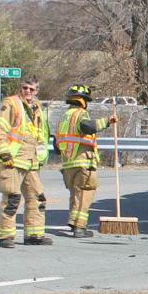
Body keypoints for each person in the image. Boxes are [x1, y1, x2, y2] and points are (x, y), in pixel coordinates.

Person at [0, 80, 53, 247]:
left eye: (31, 89)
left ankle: (34, 235)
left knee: (37, 198)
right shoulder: (11, 103)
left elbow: (41, 135)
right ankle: (5, 236)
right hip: (13, 159)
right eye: (25, 88)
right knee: (12, 198)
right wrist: (4, 152)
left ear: (36, 91)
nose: (27, 91)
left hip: (32, 161)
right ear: (20, 88)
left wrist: (40, 157)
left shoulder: (37, 108)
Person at [53, 84, 117, 238]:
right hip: (83, 162)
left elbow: (56, 145)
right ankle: (79, 227)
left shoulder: (64, 118)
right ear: (83, 101)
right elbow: (88, 126)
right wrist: (108, 121)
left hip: (68, 164)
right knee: (85, 193)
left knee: (76, 194)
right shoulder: (80, 114)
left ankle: (73, 222)